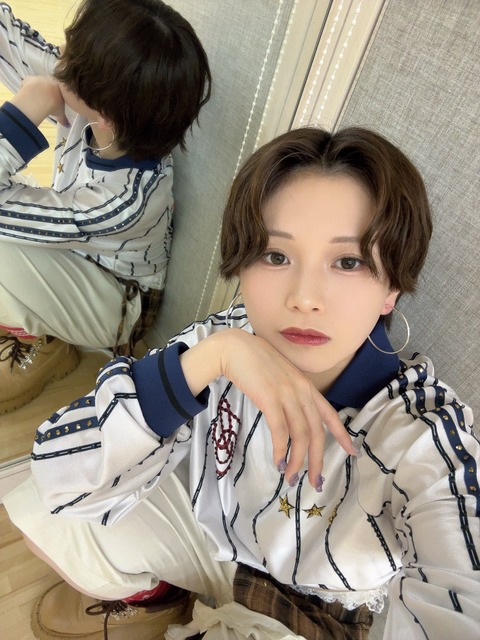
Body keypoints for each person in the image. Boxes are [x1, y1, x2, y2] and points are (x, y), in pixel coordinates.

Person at [4, 126, 480, 639]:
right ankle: (161, 598)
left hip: (309, 603)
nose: (304, 298)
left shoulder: (419, 436)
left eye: (348, 261)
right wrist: (212, 359)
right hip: (215, 541)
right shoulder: (226, 338)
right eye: (276, 256)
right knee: (40, 511)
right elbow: (58, 470)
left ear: (392, 288)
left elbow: (461, 574)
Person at [0, 0, 211, 414]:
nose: (60, 57)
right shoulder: (110, 100)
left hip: (118, 302)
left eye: (71, 61)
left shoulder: (123, 201)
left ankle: (45, 343)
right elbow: (12, 43)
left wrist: (28, 107)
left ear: (105, 116)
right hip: (79, 249)